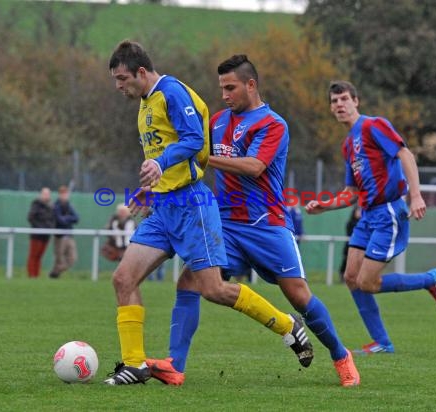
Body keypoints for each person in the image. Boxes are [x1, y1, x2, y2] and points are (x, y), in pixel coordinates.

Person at [104, 41, 312, 385]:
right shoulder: (144, 104)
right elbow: (164, 150)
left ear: (141, 72)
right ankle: (134, 365)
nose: (119, 86)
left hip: (191, 207)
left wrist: (159, 162)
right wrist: (150, 185)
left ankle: (287, 325)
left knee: (214, 290)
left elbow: (193, 142)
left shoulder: (172, 92)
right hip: (163, 208)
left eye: (122, 78)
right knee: (123, 279)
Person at [146, 55, 360, 387]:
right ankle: (175, 365)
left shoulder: (273, 124)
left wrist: (202, 156)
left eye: (230, 87)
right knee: (189, 283)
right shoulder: (215, 121)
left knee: (300, 296)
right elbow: (189, 151)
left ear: (251, 85)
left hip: (267, 224)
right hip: (225, 225)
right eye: (221, 88)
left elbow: (254, 166)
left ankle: (340, 355)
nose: (224, 95)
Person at [306, 80, 436, 355]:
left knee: (367, 282)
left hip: (388, 212)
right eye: (334, 101)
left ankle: (431, 279)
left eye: (344, 99)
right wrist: (324, 206)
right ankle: (382, 343)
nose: (339, 105)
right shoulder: (348, 144)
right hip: (368, 215)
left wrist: (416, 195)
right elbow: (350, 193)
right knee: (350, 277)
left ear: (356, 101)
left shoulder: (373, 126)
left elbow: (404, 153)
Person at [49, 185, 79, 279]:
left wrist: (66, 218)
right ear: (60, 195)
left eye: (66, 194)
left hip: (69, 236)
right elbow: (59, 220)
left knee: (72, 258)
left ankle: (54, 273)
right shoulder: (56, 205)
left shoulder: (69, 205)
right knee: (59, 260)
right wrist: (69, 219)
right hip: (59, 237)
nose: (65, 196)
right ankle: (54, 276)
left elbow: (76, 218)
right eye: (63, 194)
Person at [26, 187, 55, 278]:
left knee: (39, 256)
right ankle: (32, 275)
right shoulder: (36, 204)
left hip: (46, 236)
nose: (46, 196)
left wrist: (49, 227)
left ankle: (36, 275)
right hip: (36, 235)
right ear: (41, 194)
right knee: (33, 255)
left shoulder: (51, 206)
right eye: (44, 194)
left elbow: (52, 219)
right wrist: (40, 227)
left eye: (48, 194)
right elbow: (31, 218)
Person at [339, 205, 361, 282]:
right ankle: (342, 275)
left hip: (360, 246)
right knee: (346, 261)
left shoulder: (362, 223)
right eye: (357, 211)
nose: (359, 213)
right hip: (350, 245)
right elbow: (349, 233)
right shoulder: (350, 223)